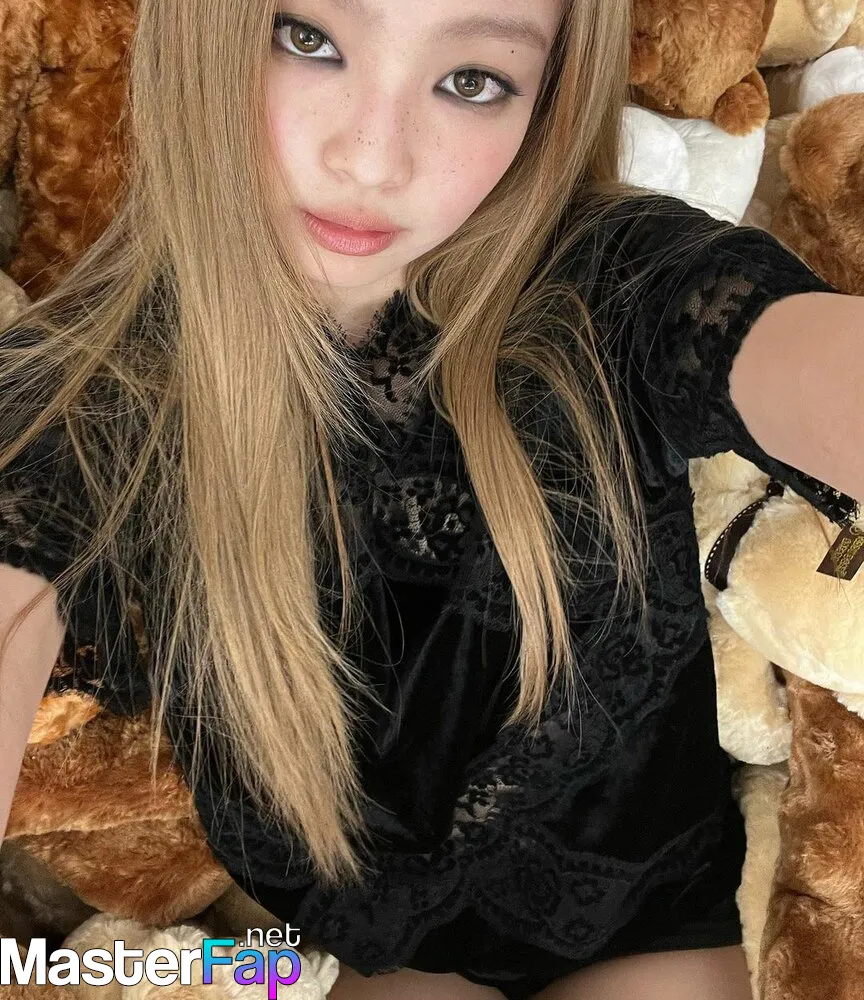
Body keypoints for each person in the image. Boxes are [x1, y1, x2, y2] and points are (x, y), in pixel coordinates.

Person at [0, 0, 862, 997]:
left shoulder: (617, 282)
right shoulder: (79, 398)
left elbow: (795, 355)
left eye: (471, 81)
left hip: (652, 921)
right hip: (368, 945)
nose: (373, 158)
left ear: (546, 96)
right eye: (307, 39)